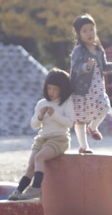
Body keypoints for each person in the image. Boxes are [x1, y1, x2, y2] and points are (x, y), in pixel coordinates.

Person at [9, 68, 75, 200]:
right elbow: (34, 125)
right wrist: (40, 116)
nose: (52, 92)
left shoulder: (67, 102)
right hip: (42, 138)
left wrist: (54, 115)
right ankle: (18, 191)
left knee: (39, 158)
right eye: (49, 88)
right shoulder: (41, 103)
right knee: (31, 165)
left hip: (59, 139)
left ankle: (36, 188)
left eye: (55, 89)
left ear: (62, 89)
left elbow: (69, 123)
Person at [69, 13, 112, 153]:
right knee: (81, 118)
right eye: (84, 31)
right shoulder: (79, 50)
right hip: (81, 89)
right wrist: (86, 66)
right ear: (78, 34)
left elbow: (104, 66)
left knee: (105, 107)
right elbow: (75, 67)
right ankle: (84, 146)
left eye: (91, 29)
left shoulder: (99, 49)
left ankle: (93, 127)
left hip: (98, 87)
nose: (89, 33)